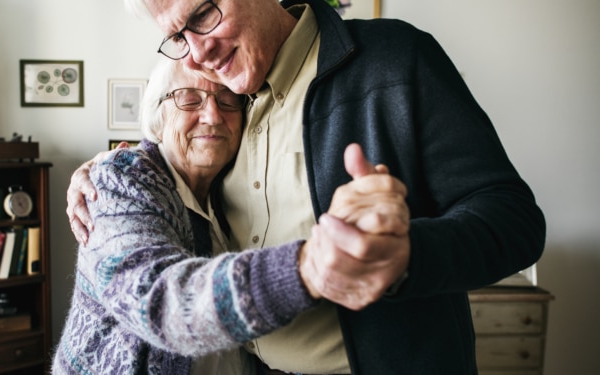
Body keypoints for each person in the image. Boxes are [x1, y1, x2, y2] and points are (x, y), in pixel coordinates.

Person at [66, 0, 546, 373]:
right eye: (176, 36)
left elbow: (514, 219)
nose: (198, 52)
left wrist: (406, 254)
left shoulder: (396, 59)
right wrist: (110, 168)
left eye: (205, 14)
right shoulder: (230, 108)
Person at [53, 57, 403, 374]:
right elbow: (157, 301)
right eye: (189, 99)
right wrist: (309, 267)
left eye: (227, 101)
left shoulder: (228, 191)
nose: (213, 115)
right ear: (157, 119)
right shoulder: (118, 181)